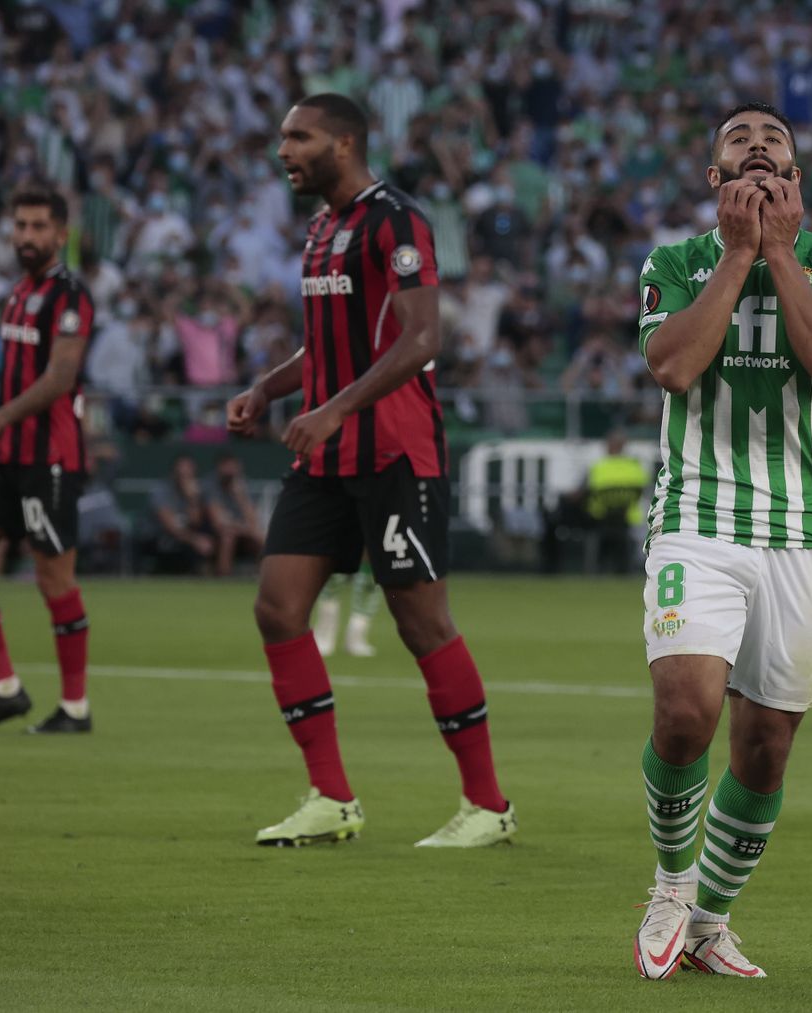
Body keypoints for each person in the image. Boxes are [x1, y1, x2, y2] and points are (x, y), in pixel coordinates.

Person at [227, 94, 514, 849]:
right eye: (283, 136)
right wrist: (268, 388)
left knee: (422, 623)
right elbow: (324, 346)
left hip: (394, 451)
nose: (284, 150)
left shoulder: (398, 219)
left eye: (300, 136)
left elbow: (421, 340)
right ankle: (330, 796)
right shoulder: (322, 230)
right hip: (328, 451)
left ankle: (488, 804)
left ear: (344, 143)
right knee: (277, 608)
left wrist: (334, 409)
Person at [631, 101, 812, 979]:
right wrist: (738, 255)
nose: (759, 148)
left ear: (796, 179)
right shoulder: (675, 261)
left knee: (767, 743)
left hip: (801, 531)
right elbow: (673, 366)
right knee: (686, 710)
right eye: (740, 141)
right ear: (715, 178)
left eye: (774, 142)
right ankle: (669, 881)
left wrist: (779, 253)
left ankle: (710, 920)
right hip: (697, 515)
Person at [0, 183, 95, 734]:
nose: (26, 237)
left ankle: (75, 707)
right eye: (20, 226)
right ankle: (6, 689)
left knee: (54, 580)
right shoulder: (16, 293)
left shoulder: (69, 296)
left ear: (61, 233)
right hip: (8, 458)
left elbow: (60, 378)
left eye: (37, 227)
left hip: (48, 459)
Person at [584, 429, 649, 573]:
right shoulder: (601, 466)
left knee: (622, 552)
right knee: (604, 552)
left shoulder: (631, 466)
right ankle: (599, 574)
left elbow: (639, 491)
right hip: (604, 517)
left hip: (625, 517)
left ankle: (620, 573)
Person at [204, 452, 264, 575]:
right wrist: (242, 527)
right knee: (228, 537)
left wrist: (240, 497)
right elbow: (218, 523)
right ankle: (224, 579)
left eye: (233, 467)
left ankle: (264, 578)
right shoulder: (210, 486)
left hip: (240, 531)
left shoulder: (243, 486)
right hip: (214, 534)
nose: (230, 471)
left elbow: (253, 522)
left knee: (260, 537)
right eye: (227, 466)